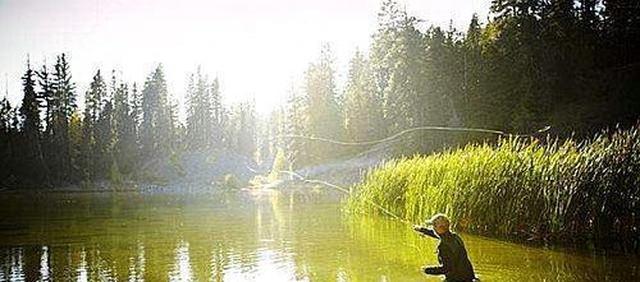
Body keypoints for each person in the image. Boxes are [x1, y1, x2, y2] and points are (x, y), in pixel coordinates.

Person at [413, 213, 476, 281]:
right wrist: (421, 229)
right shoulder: (455, 237)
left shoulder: (443, 246)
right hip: (469, 275)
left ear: (440, 228)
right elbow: (437, 234)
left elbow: (447, 268)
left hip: (457, 279)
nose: (433, 228)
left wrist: (427, 270)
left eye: (434, 226)